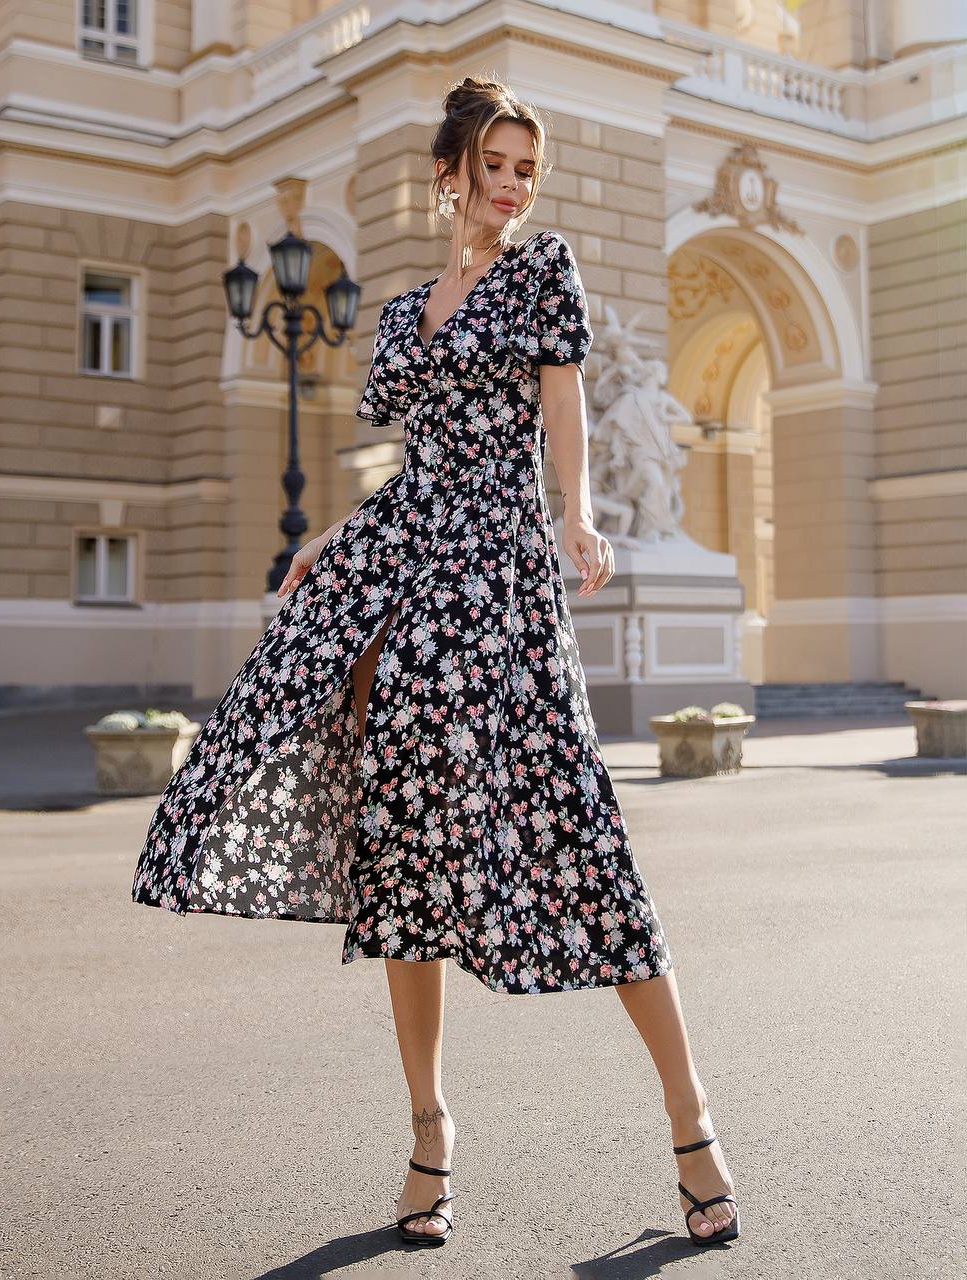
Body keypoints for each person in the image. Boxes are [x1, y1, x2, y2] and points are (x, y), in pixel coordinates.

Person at [131, 76, 739, 1251]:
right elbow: (416, 466)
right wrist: (334, 534)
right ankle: (429, 1131)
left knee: (579, 833)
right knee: (402, 849)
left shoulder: (542, 269)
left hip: (499, 575)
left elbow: (563, 400)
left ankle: (690, 1117)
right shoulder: (406, 309)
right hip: (410, 560)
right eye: (494, 166)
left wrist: (577, 511)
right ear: (448, 173)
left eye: (525, 169)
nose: (512, 186)